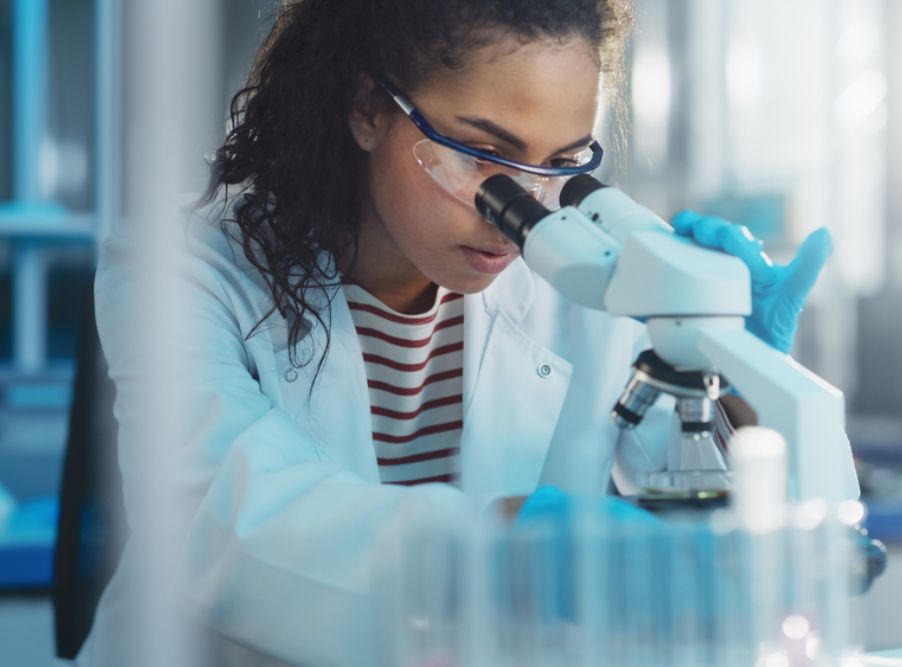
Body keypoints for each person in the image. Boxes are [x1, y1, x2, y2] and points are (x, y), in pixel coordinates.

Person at [78, 1, 858, 665]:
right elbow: (223, 525)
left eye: (560, 162)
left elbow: (744, 535)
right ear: (368, 110)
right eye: (484, 152)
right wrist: (513, 547)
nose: (523, 205)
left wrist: (741, 368)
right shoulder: (184, 267)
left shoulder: (585, 283)